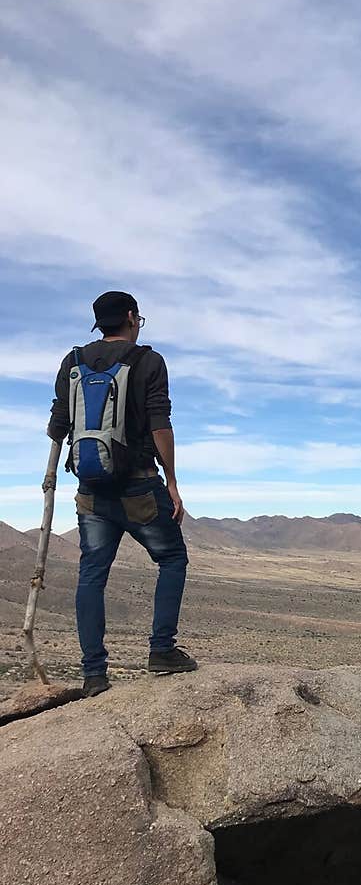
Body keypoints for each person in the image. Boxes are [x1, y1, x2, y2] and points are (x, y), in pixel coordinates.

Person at [47, 291, 197, 696]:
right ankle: (162, 650)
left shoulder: (73, 362)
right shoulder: (149, 361)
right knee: (172, 557)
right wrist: (172, 479)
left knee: (91, 575)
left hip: (91, 490)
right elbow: (159, 422)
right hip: (139, 486)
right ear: (132, 317)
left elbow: (57, 425)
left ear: (99, 323)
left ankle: (94, 674)